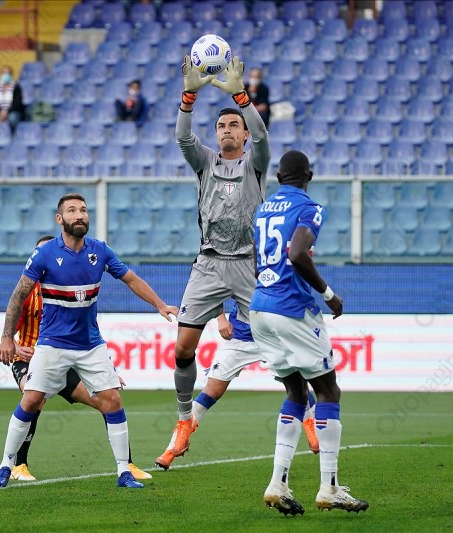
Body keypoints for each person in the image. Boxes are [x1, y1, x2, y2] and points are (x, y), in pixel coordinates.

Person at [0, 193, 178, 489]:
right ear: (59, 219)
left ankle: (124, 471)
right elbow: (19, 294)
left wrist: (160, 304)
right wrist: (6, 338)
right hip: (52, 344)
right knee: (32, 399)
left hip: (90, 345)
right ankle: (6, 465)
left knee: (113, 400)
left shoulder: (100, 251)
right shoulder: (45, 254)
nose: (79, 215)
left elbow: (130, 279)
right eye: (72, 210)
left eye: (84, 210)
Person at [155, 56, 271, 468]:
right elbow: (182, 137)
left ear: (243, 133)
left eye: (233, 125)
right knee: (183, 348)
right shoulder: (205, 161)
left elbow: (263, 134)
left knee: (277, 342)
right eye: (221, 126)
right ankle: (184, 420)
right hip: (207, 264)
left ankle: (309, 413)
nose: (227, 130)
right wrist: (189, 96)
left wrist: (241, 98)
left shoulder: (256, 163)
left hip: (247, 266)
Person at [251, 150, 369, 515]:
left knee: (296, 392)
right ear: (309, 176)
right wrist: (329, 294)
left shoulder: (263, 209)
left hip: (260, 308)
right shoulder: (309, 207)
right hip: (292, 308)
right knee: (328, 390)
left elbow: (256, 259)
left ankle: (278, 484)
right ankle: (329, 487)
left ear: (279, 178)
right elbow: (298, 254)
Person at [8, 235, 152, 482]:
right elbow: (8, 337)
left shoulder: (72, 290)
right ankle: (18, 465)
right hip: (31, 361)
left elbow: (87, 339)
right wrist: (17, 347)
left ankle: (127, 464)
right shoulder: (27, 295)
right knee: (34, 399)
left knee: (106, 400)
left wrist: (105, 374)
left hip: (65, 362)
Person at [156, 299, 320, 470]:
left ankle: (312, 424)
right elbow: (217, 289)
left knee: (295, 384)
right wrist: (221, 319)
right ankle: (171, 449)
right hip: (240, 335)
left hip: (274, 336)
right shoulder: (240, 279)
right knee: (212, 390)